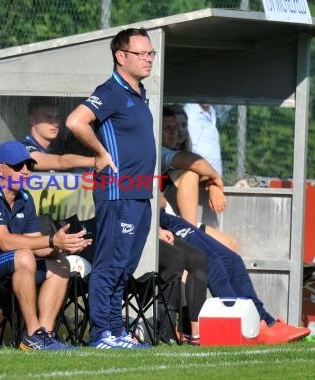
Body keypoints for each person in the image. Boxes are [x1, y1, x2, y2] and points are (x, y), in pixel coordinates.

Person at [0, 141, 92, 350]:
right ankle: (31, 336)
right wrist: (51, 240)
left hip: (0, 269)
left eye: (29, 166)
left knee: (60, 263)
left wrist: (63, 246)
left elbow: (37, 245)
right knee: (22, 255)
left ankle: (45, 336)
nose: (25, 172)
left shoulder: (24, 198)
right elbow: (6, 243)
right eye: (17, 166)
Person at [66, 28, 156, 349]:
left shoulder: (138, 92)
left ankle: (116, 331)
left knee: (124, 268)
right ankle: (102, 332)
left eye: (150, 53)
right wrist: (101, 153)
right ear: (121, 57)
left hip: (139, 195)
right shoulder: (111, 91)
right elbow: (76, 121)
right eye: (141, 53)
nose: (148, 59)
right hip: (118, 193)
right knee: (110, 265)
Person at [159, 205, 311, 344]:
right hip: (157, 221)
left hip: (166, 216)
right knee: (211, 261)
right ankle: (243, 325)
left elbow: (161, 199)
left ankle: (265, 320)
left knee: (232, 260)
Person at [161, 107, 237, 251]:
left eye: (175, 128)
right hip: (163, 218)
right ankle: (191, 239)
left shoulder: (180, 153)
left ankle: (191, 236)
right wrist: (216, 177)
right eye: (167, 128)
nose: (174, 132)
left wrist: (213, 186)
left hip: (175, 217)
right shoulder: (158, 150)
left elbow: (198, 169)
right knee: (191, 173)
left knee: (230, 244)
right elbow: (196, 164)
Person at [21, 97, 94, 171]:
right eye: (48, 117)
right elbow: (61, 162)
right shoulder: (22, 147)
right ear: (32, 120)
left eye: (57, 117)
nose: (55, 123)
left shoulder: (58, 147)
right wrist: (98, 161)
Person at [184, 103, 223, 177]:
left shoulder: (212, 110)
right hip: (201, 174)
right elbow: (189, 145)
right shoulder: (190, 111)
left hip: (215, 173)